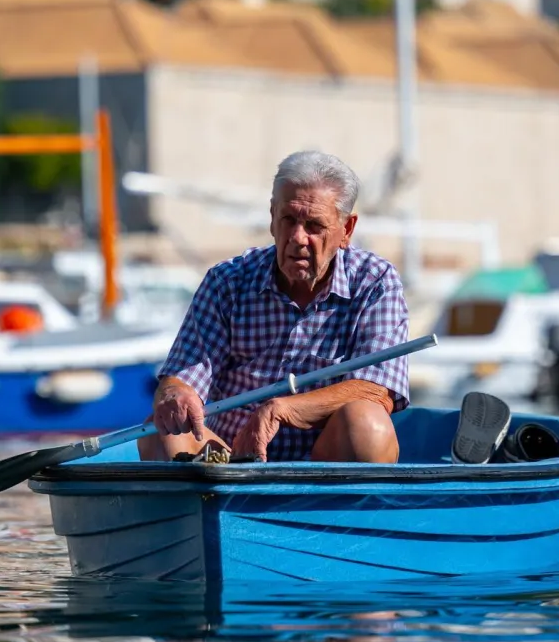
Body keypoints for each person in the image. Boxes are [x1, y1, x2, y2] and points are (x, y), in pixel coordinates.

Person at [139, 151, 411, 464]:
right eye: (289, 220)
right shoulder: (227, 281)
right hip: (227, 463)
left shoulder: (375, 281)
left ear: (346, 230)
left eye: (314, 226)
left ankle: (337, 513)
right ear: (272, 217)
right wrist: (175, 396)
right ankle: (210, 509)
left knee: (368, 424)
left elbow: (377, 391)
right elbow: (180, 379)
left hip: (326, 469)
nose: (298, 237)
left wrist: (281, 410)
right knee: (161, 430)